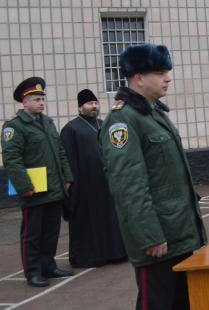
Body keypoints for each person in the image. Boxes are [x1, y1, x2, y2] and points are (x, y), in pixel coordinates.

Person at [99, 44, 206, 310]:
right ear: (138, 77)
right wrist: (149, 235)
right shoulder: (123, 122)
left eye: (166, 72)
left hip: (179, 232)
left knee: (179, 309)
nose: (167, 78)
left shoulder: (154, 113)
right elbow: (129, 186)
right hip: (157, 238)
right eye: (160, 73)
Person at [1, 77, 74, 287]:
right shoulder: (14, 127)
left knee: (51, 231)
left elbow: (60, 152)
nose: (41, 103)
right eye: (36, 99)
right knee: (32, 234)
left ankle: (48, 266)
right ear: (24, 102)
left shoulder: (47, 122)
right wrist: (25, 187)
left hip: (54, 186)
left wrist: (67, 177)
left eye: (42, 99)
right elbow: (12, 160)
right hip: (34, 189)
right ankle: (33, 271)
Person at [60, 89, 126, 267]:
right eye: (90, 103)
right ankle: (89, 257)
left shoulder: (103, 124)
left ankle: (114, 253)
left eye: (96, 103)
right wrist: (72, 183)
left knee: (110, 218)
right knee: (88, 221)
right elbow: (68, 158)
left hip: (105, 182)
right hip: (85, 185)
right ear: (80, 107)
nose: (94, 106)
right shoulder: (71, 129)